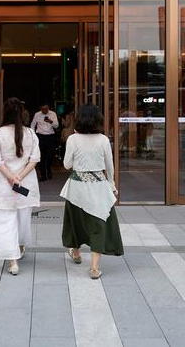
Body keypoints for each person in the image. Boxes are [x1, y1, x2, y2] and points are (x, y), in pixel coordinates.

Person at [60, 103, 123, 279]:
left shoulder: (73, 139)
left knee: (76, 222)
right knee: (98, 223)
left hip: (76, 188)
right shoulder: (103, 140)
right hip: (98, 187)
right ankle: (94, 267)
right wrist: (112, 184)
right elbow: (109, 166)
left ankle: (76, 252)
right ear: (98, 120)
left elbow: (67, 165)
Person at [0, 98, 40, 276]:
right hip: (25, 185)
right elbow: (34, 159)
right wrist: (19, 177)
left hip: (3, 185)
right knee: (23, 219)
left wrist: (10, 177)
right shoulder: (30, 134)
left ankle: (13, 261)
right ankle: (20, 246)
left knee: (4, 222)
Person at [31, 103, 58, 181]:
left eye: (46, 109)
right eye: (43, 109)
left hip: (50, 136)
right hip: (40, 136)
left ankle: (49, 169)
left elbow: (56, 125)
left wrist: (50, 121)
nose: (45, 111)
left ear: (48, 108)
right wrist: (33, 135)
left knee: (50, 155)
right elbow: (32, 124)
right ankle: (43, 175)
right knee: (41, 156)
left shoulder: (53, 114)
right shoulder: (37, 114)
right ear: (40, 109)